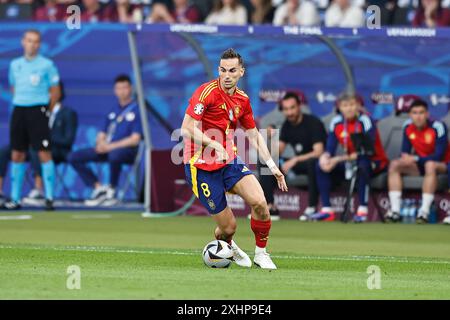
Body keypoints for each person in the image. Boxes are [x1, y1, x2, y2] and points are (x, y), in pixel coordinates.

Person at [181, 48, 288, 269]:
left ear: (241, 72)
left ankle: (261, 253)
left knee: (259, 203)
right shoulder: (205, 93)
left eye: (232, 70)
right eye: (222, 70)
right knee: (228, 228)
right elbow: (187, 128)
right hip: (200, 165)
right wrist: (212, 144)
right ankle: (228, 246)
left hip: (229, 160)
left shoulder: (242, 99)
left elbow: (253, 135)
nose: (226, 75)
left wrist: (272, 165)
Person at [3, 29, 61, 211]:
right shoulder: (15, 65)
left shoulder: (47, 65)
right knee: (17, 153)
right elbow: (14, 86)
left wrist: (46, 111)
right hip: (20, 109)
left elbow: (55, 91)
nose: (32, 44)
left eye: (36, 41)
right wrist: (21, 100)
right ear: (22, 42)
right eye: (29, 40)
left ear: (40, 44)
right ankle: (15, 198)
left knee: (43, 152)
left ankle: (49, 197)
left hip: (38, 110)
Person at [68, 75, 142, 206]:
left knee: (115, 155)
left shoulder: (137, 110)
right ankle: (98, 188)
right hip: (107, 149)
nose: (122, 91)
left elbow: (135, 139)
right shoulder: (112, 110)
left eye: (125, 87)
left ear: (131, 89)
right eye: (119, 88)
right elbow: (102, 132)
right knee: (74, 156)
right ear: (114, 90)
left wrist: (110, 147)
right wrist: (100, 143)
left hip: (127, 152)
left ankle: (112, 190)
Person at [315, 92, 389, 222]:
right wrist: (325, 157)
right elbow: (330, 149)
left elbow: (365, 151)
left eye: (352, 104)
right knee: (320, 165)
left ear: (358, 106)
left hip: (374, 161)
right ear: (340, 108)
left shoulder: (365, 121)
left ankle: (362, 210)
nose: (349, 108)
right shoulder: (336, 122)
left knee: (362, 164)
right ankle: (326, 210)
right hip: (350, 161)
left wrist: (337, 159)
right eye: (345, 105)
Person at [0, 82, 77, 206]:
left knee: (37, 149)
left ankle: (39, 190)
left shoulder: (68, 113)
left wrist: (44, 138)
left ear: (59, 92)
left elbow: (68, 140)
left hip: (56, 150)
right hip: (33, 146)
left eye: (50, 92)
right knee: (5, 151)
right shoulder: (36, 112)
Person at [259, 91, 326, 221]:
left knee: (313, 162)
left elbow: (319, 152)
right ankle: (270, 207)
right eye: (286, 109)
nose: (289, 113)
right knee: (265, 161)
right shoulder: (287, 125)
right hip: (298, 165)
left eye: (292, 108)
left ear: (299, 106)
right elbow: (277, 151)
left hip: (317, 164)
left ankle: (312, 208)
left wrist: (294, 160)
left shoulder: (313, 122)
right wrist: (271, 138)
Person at [385, 99, 450, 224]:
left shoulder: (438, 126)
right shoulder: (407, 127)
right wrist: (405, 159)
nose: (418, 116)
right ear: (410, 115)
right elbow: (404, 151)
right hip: (421, 164)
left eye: (421, 113)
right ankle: (395, 211)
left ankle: (423, 212)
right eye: (415, 113)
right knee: (394, 165)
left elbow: (438, 156)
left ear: (427, 114)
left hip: (443, 165)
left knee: (430, 165)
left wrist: (415, 159)